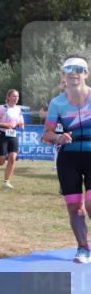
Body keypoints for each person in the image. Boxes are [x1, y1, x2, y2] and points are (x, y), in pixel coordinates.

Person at [42, 57, 91, 263]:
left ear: (86, 74)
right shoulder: (57, 103)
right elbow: (47, 134)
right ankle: (83, 248)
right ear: (63, 75)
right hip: (68, 158)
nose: (73, 73)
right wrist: (58, 137)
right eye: (68, 69)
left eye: (78, 69)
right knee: (75, 207)